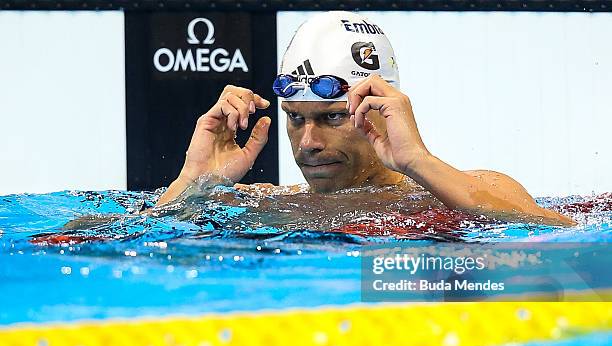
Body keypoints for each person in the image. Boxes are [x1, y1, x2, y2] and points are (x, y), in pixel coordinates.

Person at [156, 11, 573, 226]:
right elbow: (149, 238)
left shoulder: (468, 191)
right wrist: (193, 181)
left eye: (333, 117)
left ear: (381, 111)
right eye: (295, 119)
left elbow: (562, 239)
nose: (307, 143)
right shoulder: (267, 204)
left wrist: (417, 162)